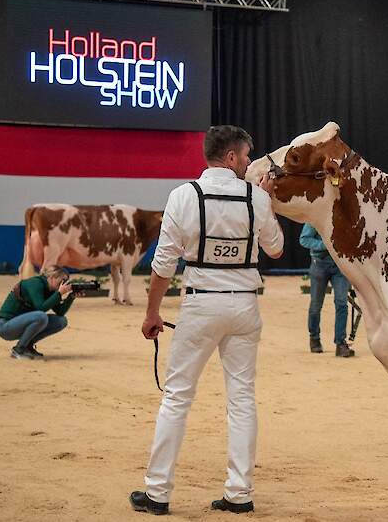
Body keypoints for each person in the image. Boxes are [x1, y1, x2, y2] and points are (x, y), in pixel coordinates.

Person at [130, 125, 284, 516]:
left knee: (177, 398)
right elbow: (277, 248)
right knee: (242, 400)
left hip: (200, 305)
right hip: (245, 306)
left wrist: (152, 313)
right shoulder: (256, 198)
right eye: (246, 156)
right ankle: (238, 494)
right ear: (230, 158)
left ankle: (158, 493)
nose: (249, 163)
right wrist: (265, 201)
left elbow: (164, 263)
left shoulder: (183, 196)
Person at [299, 223, 354, 357]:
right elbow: (304, 239)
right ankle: (314, 339)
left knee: (341, 303)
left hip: (341, 265)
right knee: (316, 305)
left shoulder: (345, 217)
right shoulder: (315, 216)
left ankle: (340, 344)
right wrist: (326, 245)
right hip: (319, 264)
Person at [0, 266, 74, 359]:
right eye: (62, 281)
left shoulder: (50, 290)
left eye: (65, 282)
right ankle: (19, 349)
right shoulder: (35, 283)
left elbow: (60, 312)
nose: (63, 284)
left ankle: (27, 346)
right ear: (52, 277)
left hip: (20, 324)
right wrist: (59, 293)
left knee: (61, 321)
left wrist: (71, 297)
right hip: (5, 326)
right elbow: (40, 308)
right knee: (41, 316)